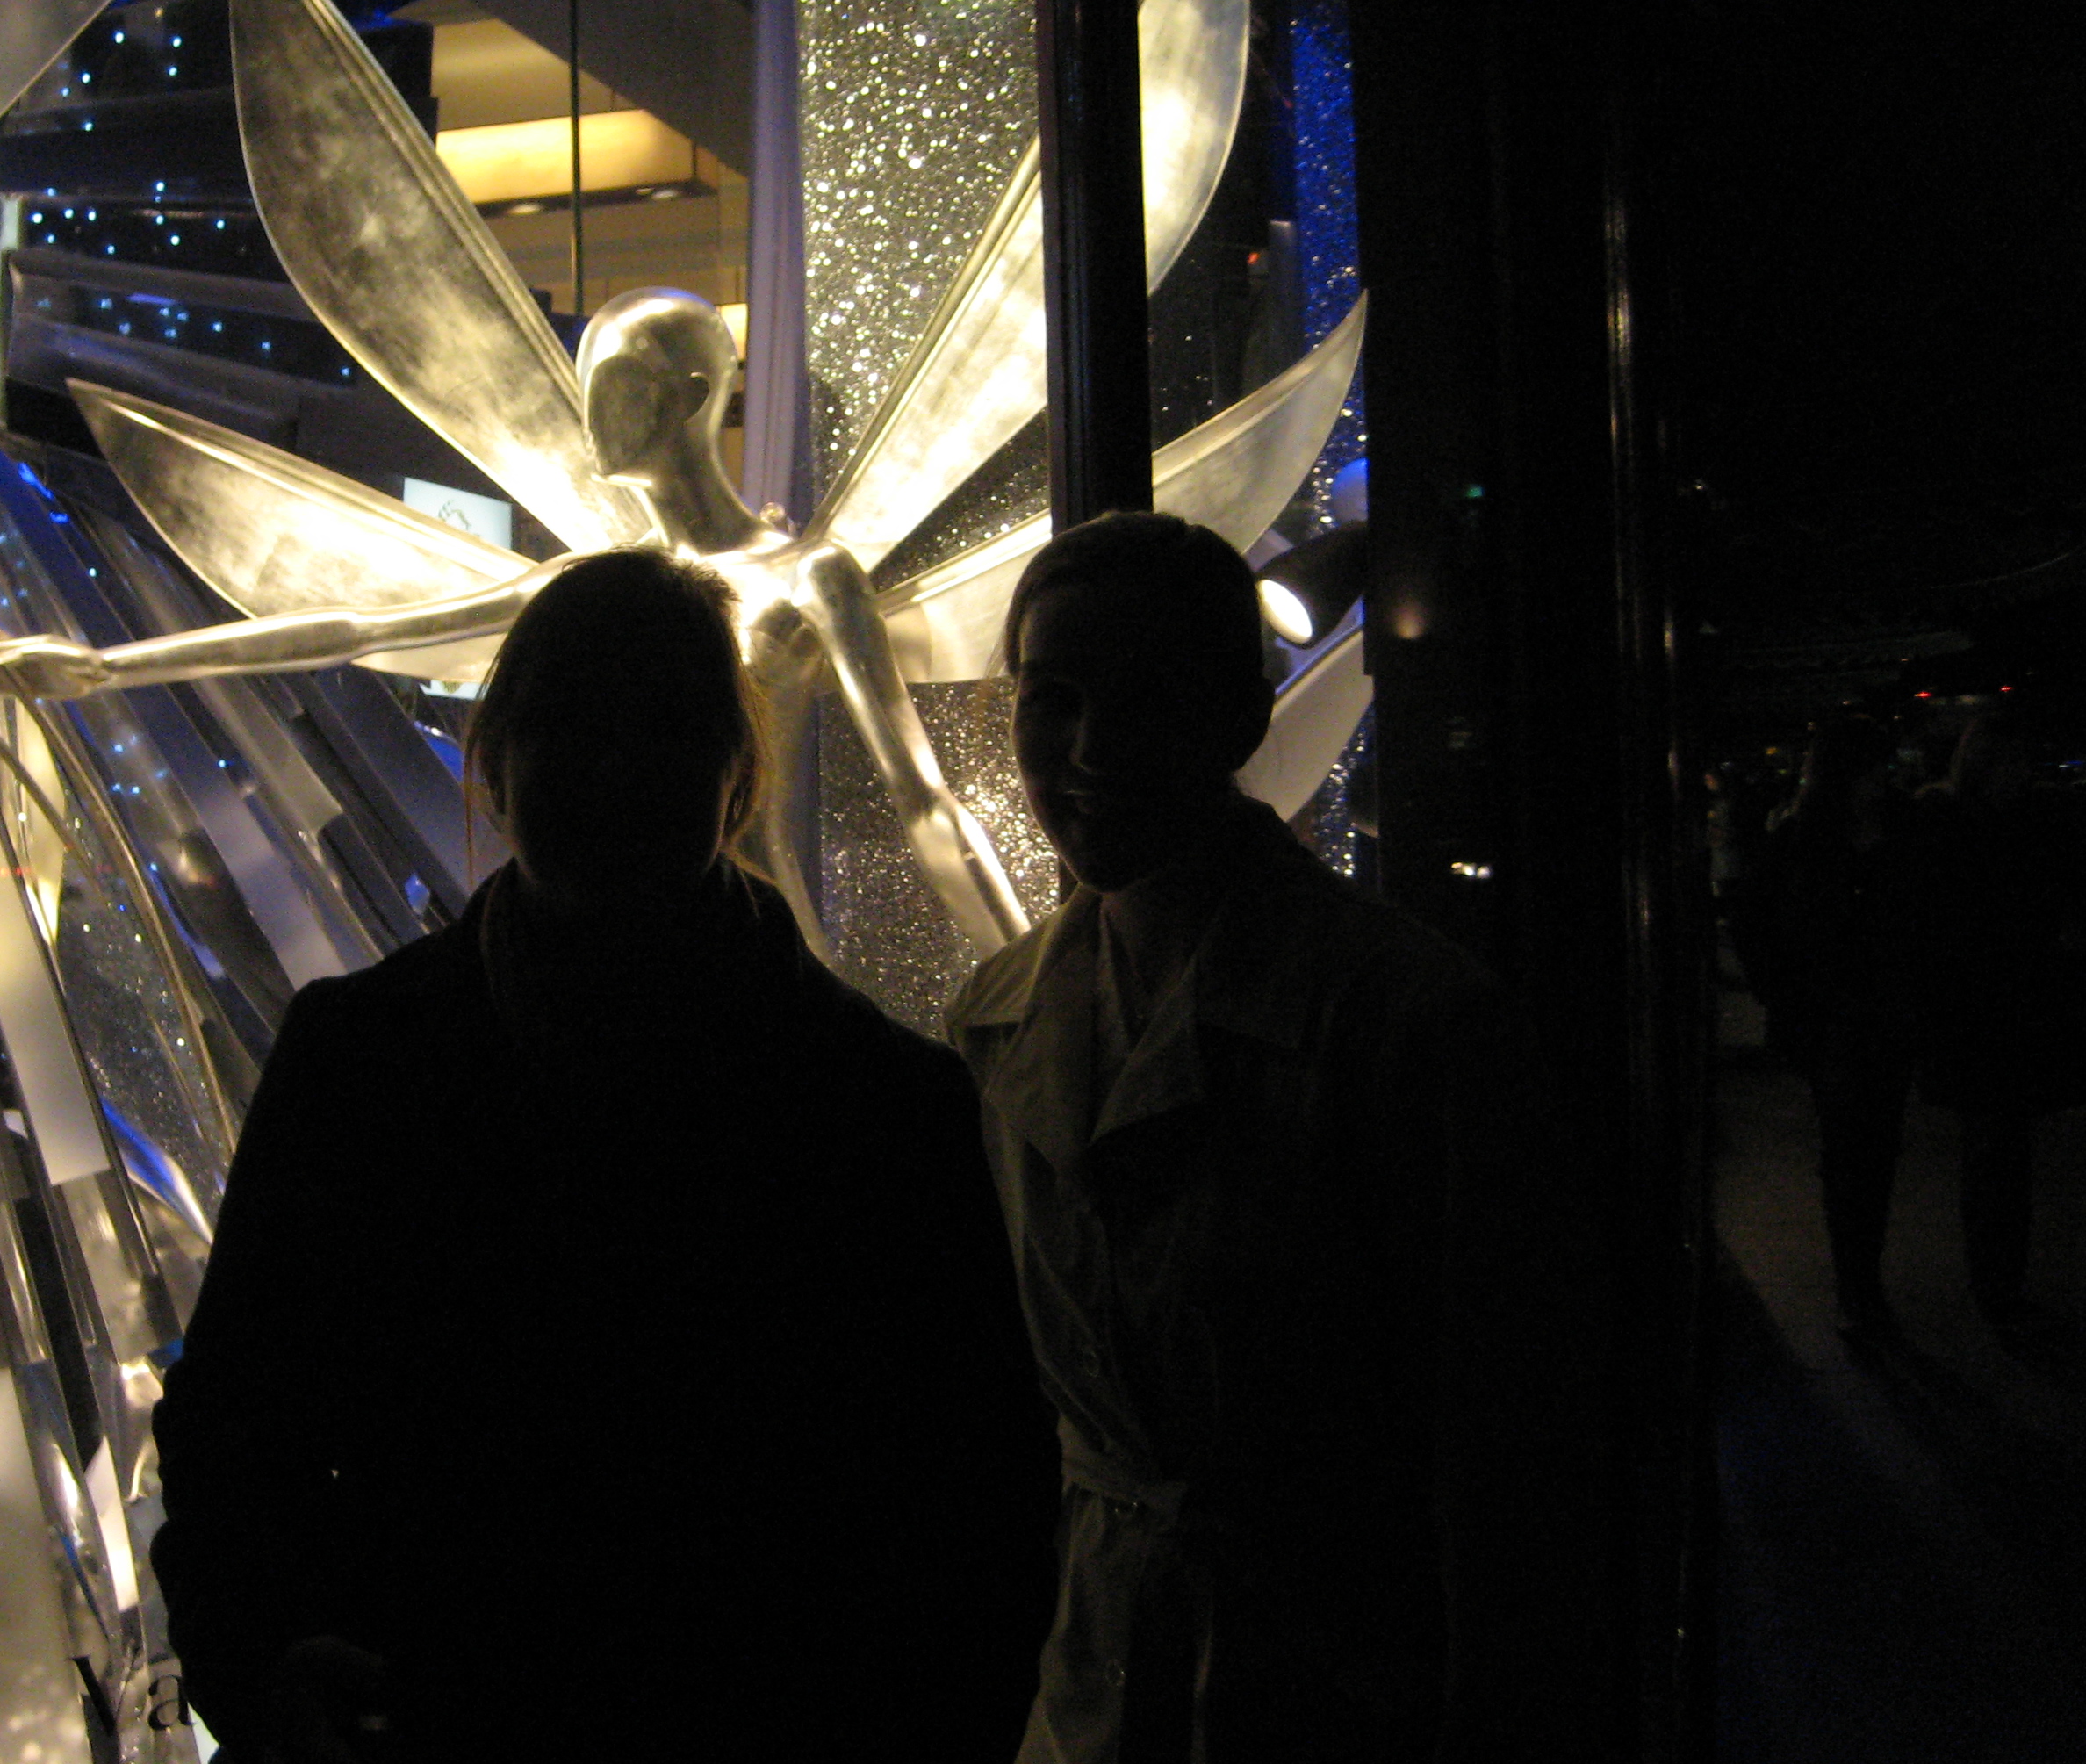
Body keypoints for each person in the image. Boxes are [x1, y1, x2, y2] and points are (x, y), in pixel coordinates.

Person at [150, 545, 1056, 1763]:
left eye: (661, 731)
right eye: (577, 727)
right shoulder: (877, 1100)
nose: (616, 771)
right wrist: (255, 1661)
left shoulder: (368, 1058)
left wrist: (261, 1663)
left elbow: (237, 1414)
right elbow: (980, 1504)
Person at [947, 511, 1561, 1760]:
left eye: (1143, 696)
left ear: (1236, 716)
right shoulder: (993, 1019)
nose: (1089, 748)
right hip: (1088, 1675)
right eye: (1052, 697)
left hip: (1337, 1681)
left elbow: (1504, 1444)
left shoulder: (1410, 1024)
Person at [1737, 715, 1924, 1338]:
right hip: (1845, 1014)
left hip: (1863, 1012)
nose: (1881, 780)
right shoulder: (1835, 835)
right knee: (1857, 1150)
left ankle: (1859, 1281)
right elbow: (1757, 920)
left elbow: (1754, 918)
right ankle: (1858, 1282)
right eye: (1873, 768)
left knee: (1865, 1149)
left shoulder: (1813, 836)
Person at [1910, 709, 2085, 1342]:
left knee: (1998, 1153)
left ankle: (1997, 1281)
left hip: (1986, 1007)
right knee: (2000, 1152)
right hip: (1995, 1007)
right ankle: (1998, 1283)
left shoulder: (1949, 820)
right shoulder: (2024, 821)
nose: (2021, 773)